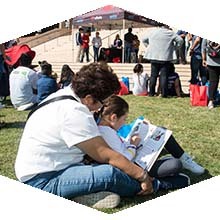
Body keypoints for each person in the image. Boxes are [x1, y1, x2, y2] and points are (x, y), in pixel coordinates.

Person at [15, 62, 156, 209]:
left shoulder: (63, 96)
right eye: (103, 102)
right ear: (89, 99)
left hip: (50, 169)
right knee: (110, 174)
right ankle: (155, 184)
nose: (102, 108)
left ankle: (81, 194)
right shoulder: (74, 112)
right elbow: (107, 155)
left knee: (107, 169)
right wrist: (142, 175)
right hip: (43, 181)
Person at [97, 95, 204, 184]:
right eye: (124, 119)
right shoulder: (107, 133)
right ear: (114, 117)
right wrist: (133, 145)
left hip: (134, 159)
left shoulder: (106, 129)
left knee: (162, 132)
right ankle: (179, 160)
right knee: (175, 164)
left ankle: (183, 158)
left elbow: (119, 147)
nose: (124, 122)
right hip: (134, 167)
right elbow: (124, 159)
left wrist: (131, 142)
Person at [142, 25, 183, 97]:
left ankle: (151, 93)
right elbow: (180, 40)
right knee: (164, 76)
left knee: (153, 76)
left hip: (154, 56)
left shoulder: (152, 31)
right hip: (165, 57)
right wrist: (175, 48)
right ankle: (164, 94)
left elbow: (143, 39)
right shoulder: (170, 33)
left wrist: (149, 47)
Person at [202, 39, 220, 109]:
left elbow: (203, 47)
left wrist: (204, 59)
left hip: (211, 62)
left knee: (213, 82)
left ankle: (211, 102)